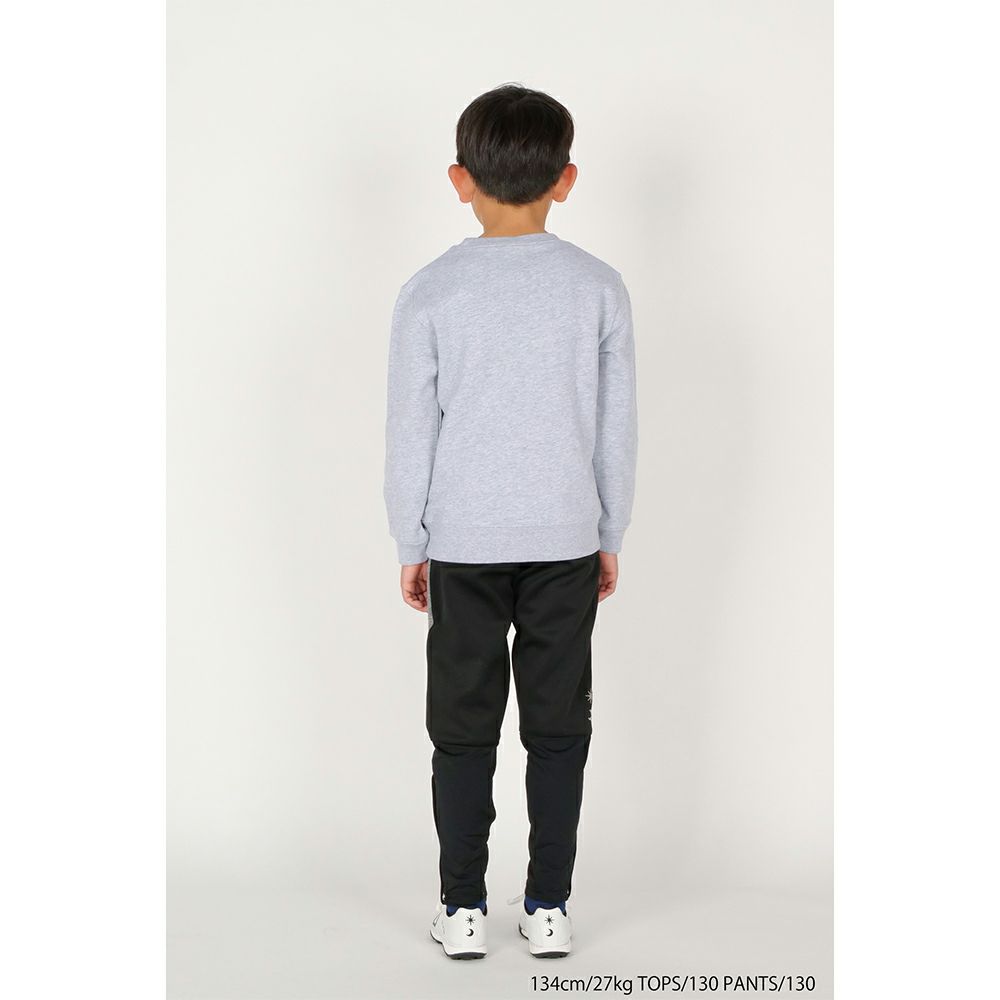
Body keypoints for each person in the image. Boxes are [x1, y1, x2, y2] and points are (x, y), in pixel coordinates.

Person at [382, 83, 638, 960]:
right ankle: (548, 907)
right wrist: (609, 532)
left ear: (460, 179)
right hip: (566, 539)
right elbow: (615, 426)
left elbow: (411, 429)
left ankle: (461, 910)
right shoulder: (598, 288)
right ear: (566, 179)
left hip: (462, 544)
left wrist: (411, 540)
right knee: (559, 729)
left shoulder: (430, 292)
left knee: (462, 729)